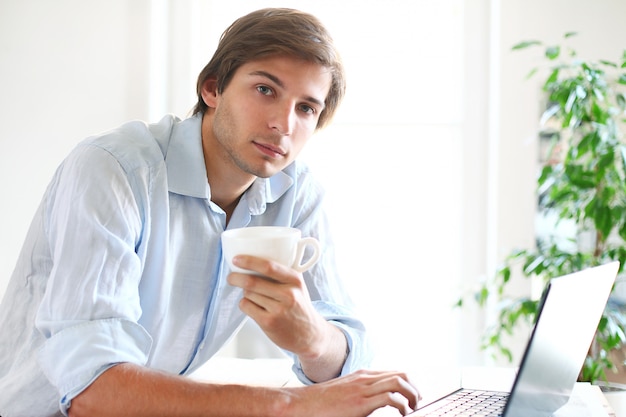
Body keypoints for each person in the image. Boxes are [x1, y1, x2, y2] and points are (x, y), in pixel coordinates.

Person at [0, 8, 420, 417]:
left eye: (306, 108)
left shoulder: (296, 191)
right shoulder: (113, 168)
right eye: (265, 90)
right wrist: (288, 406)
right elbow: (92, 393)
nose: (283, 124)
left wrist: (312, 338)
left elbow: (346, 358)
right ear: (213, 89)